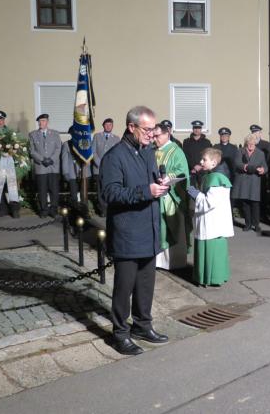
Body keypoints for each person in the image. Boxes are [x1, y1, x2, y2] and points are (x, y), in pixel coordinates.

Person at [100, 105, 170, 355]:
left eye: (154, 129)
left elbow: (150, 183)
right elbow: (110, 193)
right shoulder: (114, 157)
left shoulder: (148, 152)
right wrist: (145, 191)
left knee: (145, 285)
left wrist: (162, 184)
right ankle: (120, 334)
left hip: (149, 231)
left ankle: (142, 325)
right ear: (131, 127)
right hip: (127, 234)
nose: (152, 134)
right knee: (124, 288)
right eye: (147, 129)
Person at [187, 147, 234, 286]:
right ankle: (205, 277)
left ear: (214, 162)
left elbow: (210, 202)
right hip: (209, 221)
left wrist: (196, 194)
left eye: (204, 159)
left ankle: (212, 278)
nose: (201, 162)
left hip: (213, 224)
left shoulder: (217, 178)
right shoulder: (210, 175)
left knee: (212, 251)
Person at [153, 122, 191, 270]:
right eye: (153, 136)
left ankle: (174, 262)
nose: (154, 139)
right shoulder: (153, 150)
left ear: (167, 134)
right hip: (155, 196)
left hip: (171, 197)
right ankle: (157, 261)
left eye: (157, 136)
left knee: (172, 226)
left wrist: (168, 177)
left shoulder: (176, 151)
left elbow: (183, 172)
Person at [231, 133, 268, 232]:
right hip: (243, 181)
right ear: (246, 143)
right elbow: (237, 163)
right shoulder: (240, 151)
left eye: (253, 143)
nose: (251, 145)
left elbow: (265, 166)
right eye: (249, 143)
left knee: (255, 204)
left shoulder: (260, 153)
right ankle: (248, 224)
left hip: (254, 181)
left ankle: (256, 224)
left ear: (255, 143)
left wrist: (263, 170)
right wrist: (245, 167)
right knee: (245, 204)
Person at [29, 113, 62, 218]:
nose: (40, 123)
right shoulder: (33, 134)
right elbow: (32, 151)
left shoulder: (55, 133)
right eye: (39, 121)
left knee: (54, 190)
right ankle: (44, 210)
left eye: (43, 121)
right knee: (42, 190)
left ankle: (53, 210)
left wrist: (52, 159)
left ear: (47, 122)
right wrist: (42, 159)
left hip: (53, 166)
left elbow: (58, 148)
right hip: (41, 167)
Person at [61, 127, 92, 216]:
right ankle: (74, 213)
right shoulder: (66, 144)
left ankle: (85, 212)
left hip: (84, 172)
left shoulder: (85, 143)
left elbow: (89, 157)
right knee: (73, 195)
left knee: (84, 195)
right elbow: (64, 159)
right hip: (72, 173)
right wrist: (65, 172)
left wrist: (88, 169)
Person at [93, 118, 119, 216]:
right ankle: (103, 210)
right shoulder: (97, 136)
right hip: (98, 168)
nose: (108, 126)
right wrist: (100, 163)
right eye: (106, 125)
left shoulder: (116, 138)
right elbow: (93, 151)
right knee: (100, 190)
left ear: (112, 126)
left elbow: (117, 153)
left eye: (110, 125)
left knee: (110, 189)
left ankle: (110, 209)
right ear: (103, 126)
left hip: (111, 169)